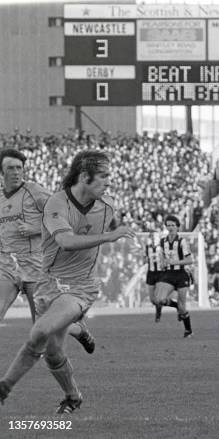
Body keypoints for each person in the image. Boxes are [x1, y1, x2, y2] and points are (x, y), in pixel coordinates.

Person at [0, 150, 136, 413]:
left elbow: (97, 229)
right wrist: (110, 237)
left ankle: (4, 386)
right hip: (46, 281)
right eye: (104, 176)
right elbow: (65, 240)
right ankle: (73, 396)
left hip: (79, 287)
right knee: (52, 352)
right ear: (84, 177)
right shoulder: (56, 203)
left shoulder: (106, 205)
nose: (109, 181)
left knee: (39, 331)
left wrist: (116, 235)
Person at [0, 149, 95, 354]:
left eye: (19, 168)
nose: (16, 172)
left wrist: (35, 229)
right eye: (10, 168)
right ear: (1, 172)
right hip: (7, 267)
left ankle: (78, 330)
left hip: (36, 267)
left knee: (43, 326)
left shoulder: (34, 192)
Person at [153, 215, 193, 338]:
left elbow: (189, 260)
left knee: (183, 307)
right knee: (159, 300)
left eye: (173, 225)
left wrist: (174, 262)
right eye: (168, 225)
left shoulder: (182, 241)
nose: (170, 228)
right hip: (169, 274)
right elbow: (162, 257)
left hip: (181, 274)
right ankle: (175, 306)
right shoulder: (162, 241)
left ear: (177, 227)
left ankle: (188, 331)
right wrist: (162, 261)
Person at [144, 231, 178, 322]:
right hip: (151, 274)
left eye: (154, 237)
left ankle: (158, 314)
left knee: (160, 299)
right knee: (153, 300)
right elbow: (146, 259)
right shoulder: (147, 248)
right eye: (151, 237)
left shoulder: (162, 247)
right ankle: (176, 305)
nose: (152, 239)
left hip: (161, 274)